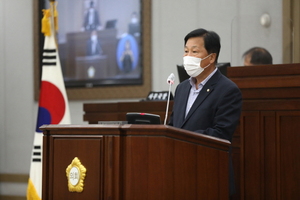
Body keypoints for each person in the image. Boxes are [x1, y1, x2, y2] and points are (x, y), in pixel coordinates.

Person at [168, 28, 242, 196]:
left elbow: (221, 134)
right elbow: (173, 126)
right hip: (179, 175)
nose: (188, 57)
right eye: (186, 51)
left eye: (194, 51)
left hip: (209, 174)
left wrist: (180, 139)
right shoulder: (181, 88)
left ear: (212, 57)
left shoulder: (228, 90)